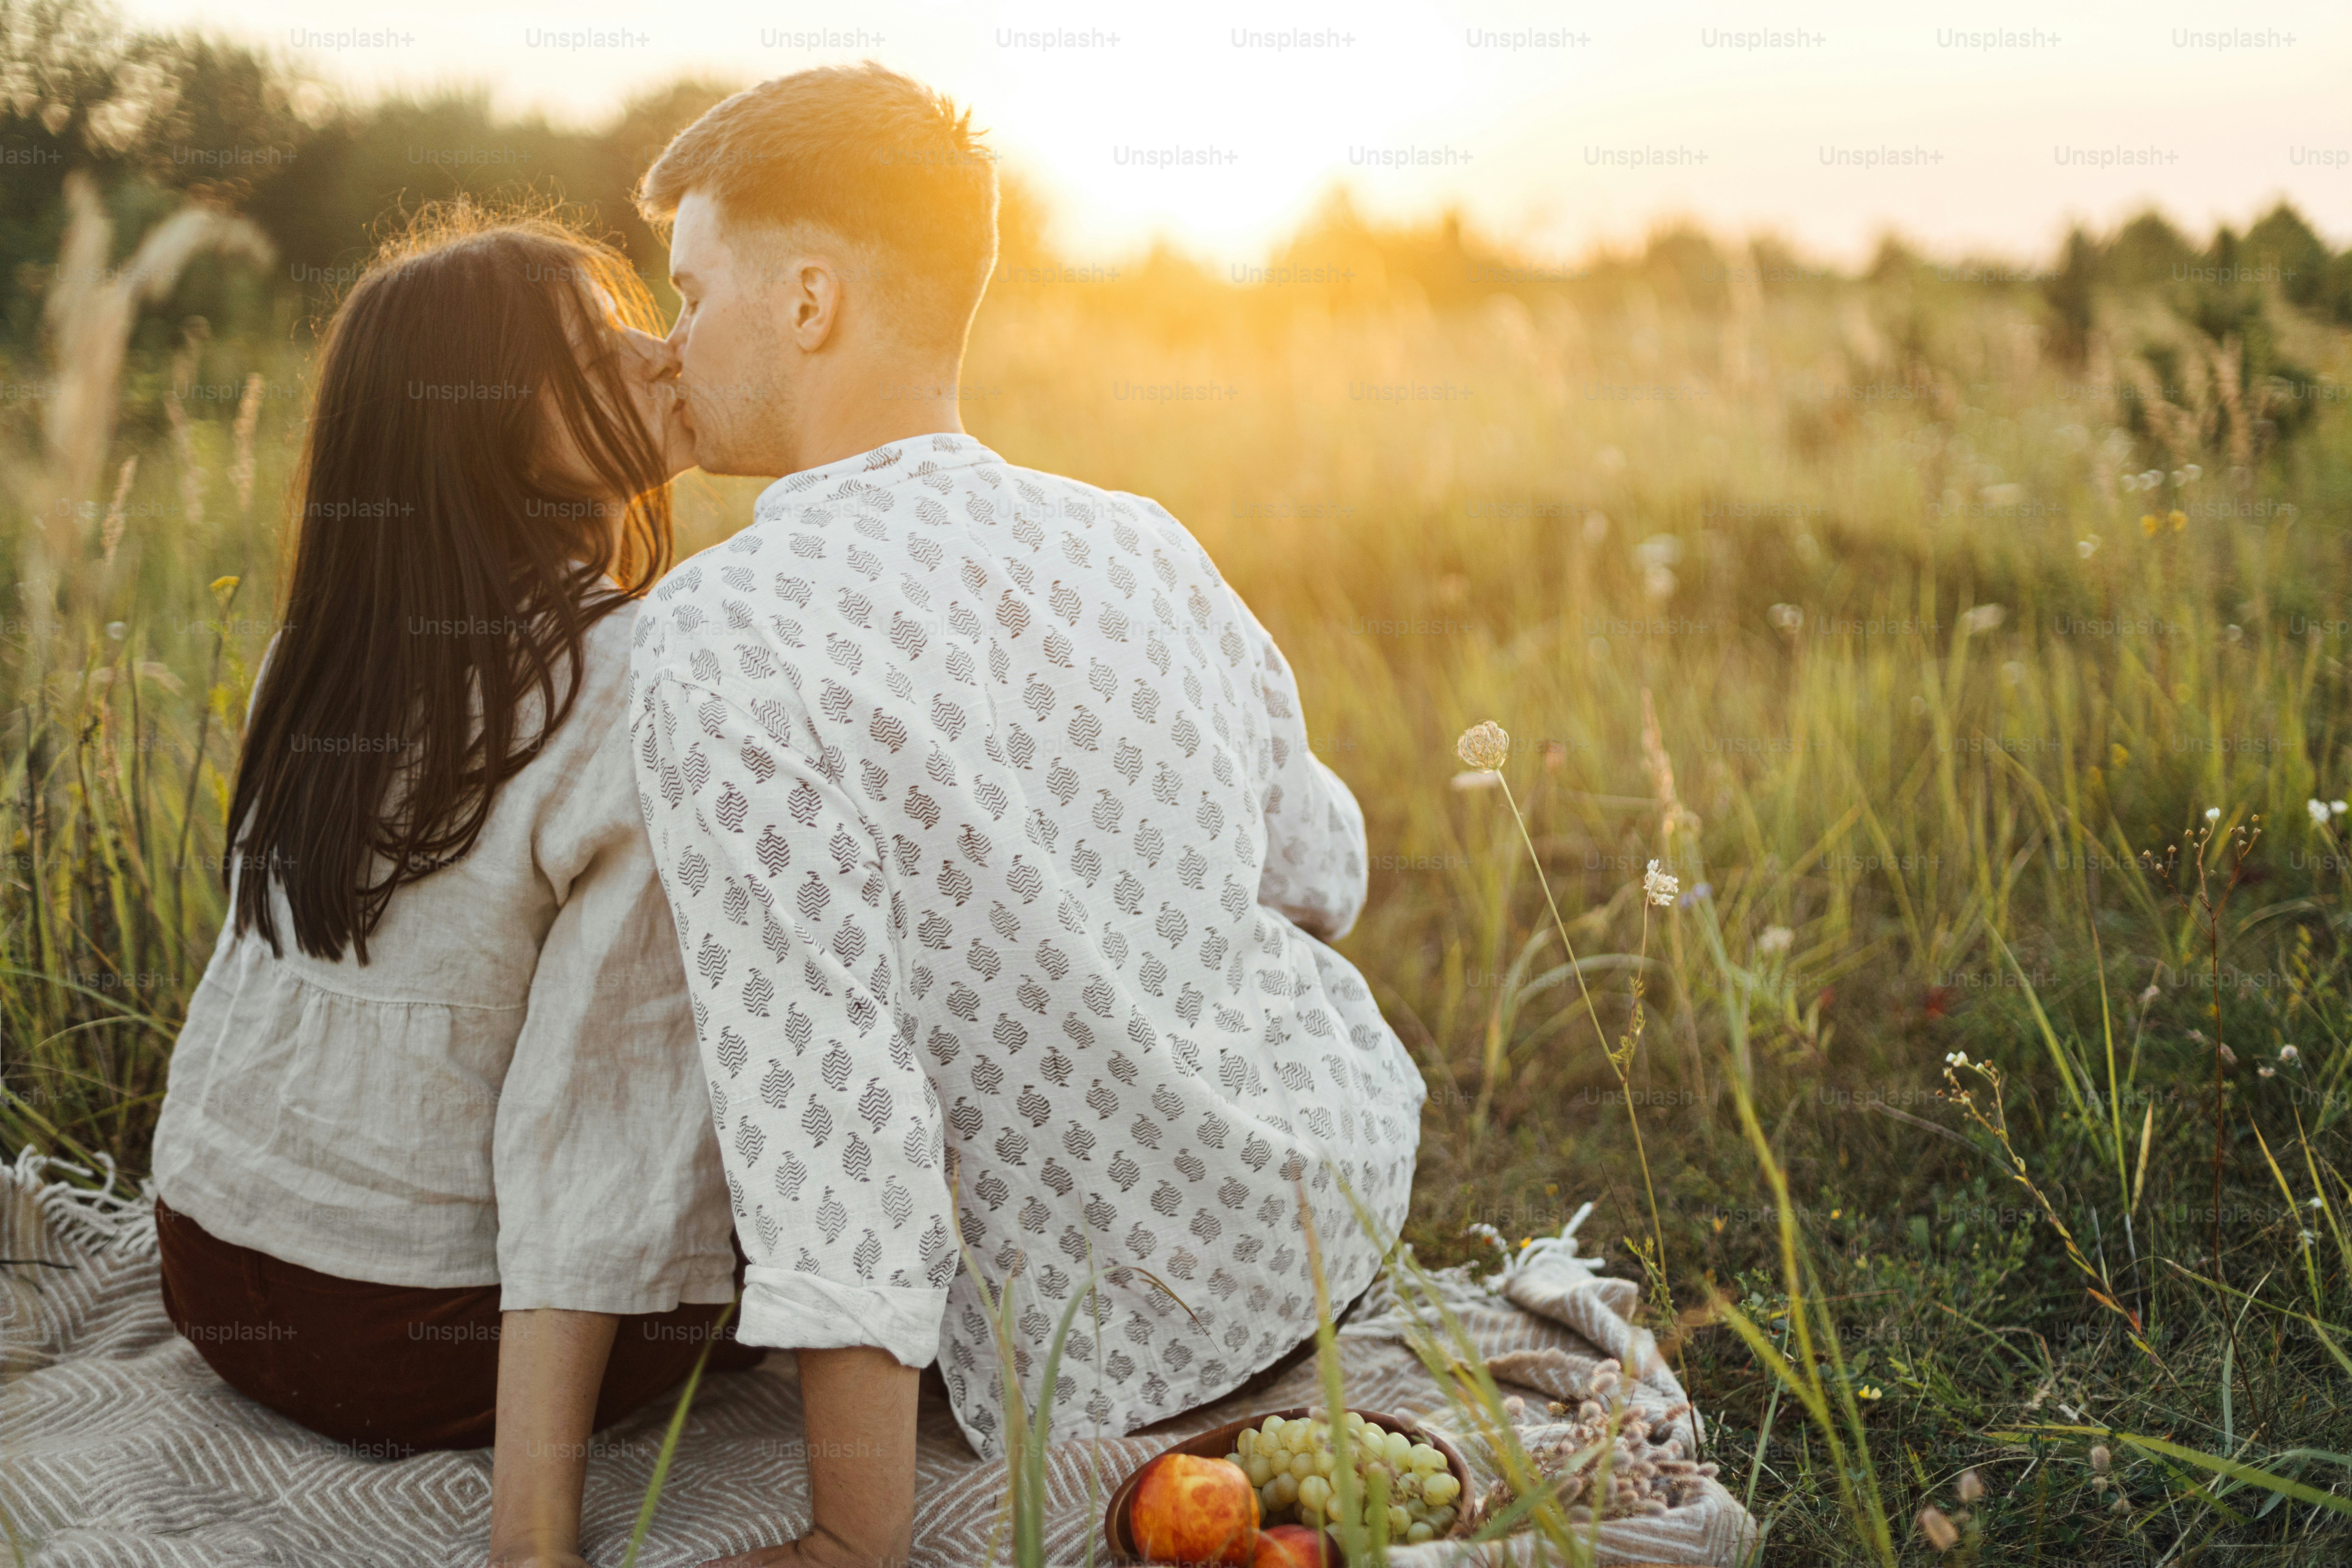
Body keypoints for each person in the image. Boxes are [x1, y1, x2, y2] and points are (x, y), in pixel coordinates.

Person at [628, 64, 1424, 1568]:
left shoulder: (721, 633)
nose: (672, 348)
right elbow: (1323, 870)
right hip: (1320, 1214)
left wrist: (854, 1540)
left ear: (808, 302)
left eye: (691, 293)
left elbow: (831, 1115)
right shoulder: (1144, 539)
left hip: (1098, 1342)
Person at [146, 206, 748, 1568]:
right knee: (815, 1124)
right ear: (482, 425)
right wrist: (535, 1543)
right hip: (414, 1334)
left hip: (209, 1256)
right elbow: (596, 1124)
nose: (662, 355)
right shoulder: (644, 684)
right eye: (598, 347)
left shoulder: (320, 647)